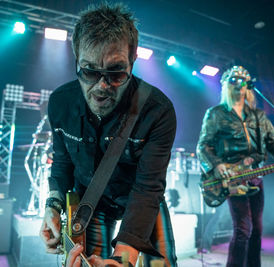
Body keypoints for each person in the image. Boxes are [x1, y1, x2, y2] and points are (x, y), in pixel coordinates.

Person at [39, 3, 177, 267]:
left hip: (140, 199)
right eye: (89, 71)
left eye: (115, 72)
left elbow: (148, 188)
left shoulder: (158, 111)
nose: (102, 87)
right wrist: (52, 207)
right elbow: (62, 163)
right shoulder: (60, 103)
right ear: (76, 59)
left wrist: (123, 259)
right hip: (91, 201)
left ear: (133, 60)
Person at [196, 65, 274, 267]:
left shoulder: (259, 116)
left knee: (257, 231)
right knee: (243, 229)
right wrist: (217, 165)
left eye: (243, 81)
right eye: (233, 80)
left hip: (256, 177)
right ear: (225, 85)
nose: (238, 85)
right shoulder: (216, 114)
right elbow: (203, 146)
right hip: (232, 177)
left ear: (249, 86)